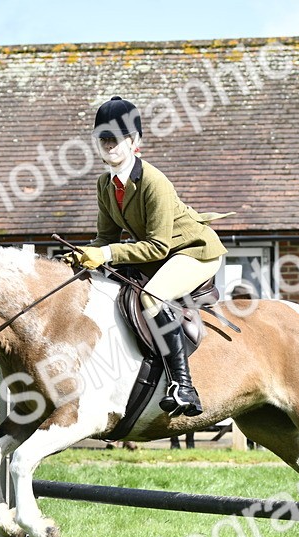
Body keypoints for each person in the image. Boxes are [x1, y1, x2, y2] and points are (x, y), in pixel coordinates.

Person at [73, 96, 231, 418]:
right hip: (161, 254)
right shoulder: (105, 184)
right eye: (103, 139)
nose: (109, 145)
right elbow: (106, 238)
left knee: (152, 298)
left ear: (134, 142)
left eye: (116, 139)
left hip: (193, 251)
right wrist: (79, 256)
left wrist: (103, 253)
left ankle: (183, 386)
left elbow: (156, 245)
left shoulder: (153, 181)